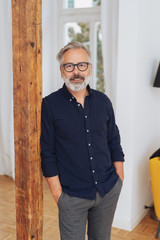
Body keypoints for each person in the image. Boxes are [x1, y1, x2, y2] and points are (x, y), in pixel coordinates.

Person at [40, 41, 124, 240]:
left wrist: (119, 179)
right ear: (62, 71)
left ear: (90, 69)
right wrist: (58, 195)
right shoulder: (49, 105)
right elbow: (47, 153)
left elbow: (114, 140)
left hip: (108, 190)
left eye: (81, 65)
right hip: (71, 197)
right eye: (69, 66)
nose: (76, 71)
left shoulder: (103, 102)